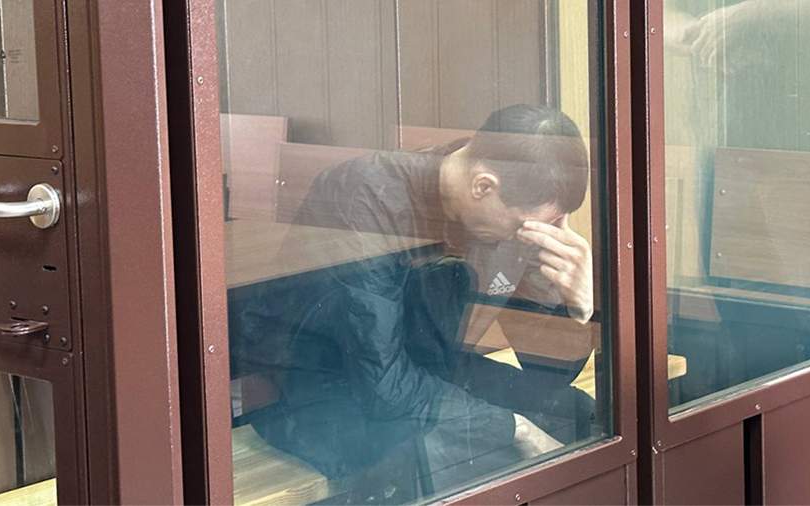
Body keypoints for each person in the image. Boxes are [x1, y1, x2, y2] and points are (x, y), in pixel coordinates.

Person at [232, 104, 596, 501]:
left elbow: (549, 378)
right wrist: (514, 427)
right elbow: (383, 384)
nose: (525, 237)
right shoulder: (366, 195)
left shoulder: (507, 207)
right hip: (317, 387)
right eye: (523, 227)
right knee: (456, 456)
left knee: (577, 414)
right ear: (482, 187)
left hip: (426, 368)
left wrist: (575, 305)